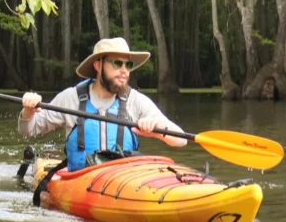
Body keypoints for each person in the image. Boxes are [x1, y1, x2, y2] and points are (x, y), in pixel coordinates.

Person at [19, 37, 187, 171]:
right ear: (98, 65)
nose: (124, 70)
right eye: (117, 63)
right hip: (80, 181)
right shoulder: (71, 98)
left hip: (123, 182)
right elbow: (28, 129)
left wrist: (156, 131)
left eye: (128, 64)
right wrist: (28, 110)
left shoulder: (136, 101)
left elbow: (181, 140)